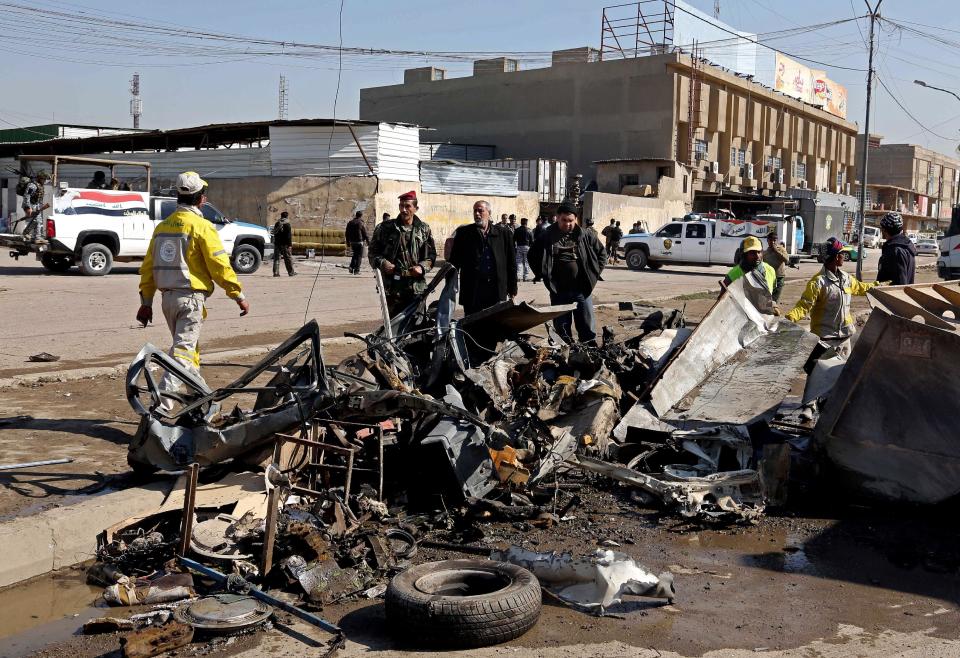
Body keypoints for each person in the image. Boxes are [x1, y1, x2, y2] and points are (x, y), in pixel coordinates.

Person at [136, 171, 249, 405]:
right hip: (190, 300)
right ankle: (161, 407)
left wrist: (146, 303)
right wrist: (237, 294)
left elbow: (148, 269)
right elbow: (219, 265)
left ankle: (206, 402)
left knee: (189, 353)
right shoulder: (202, 227)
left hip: (167, 301)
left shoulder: (162, 227)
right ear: (201, 199)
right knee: (183, 354)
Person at [528, 202, 606, 345]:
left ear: (576, 219)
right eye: (564, 220)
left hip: (582, 290)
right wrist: (542, 273)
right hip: (559, 291)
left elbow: (602, 254)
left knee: (586, 325)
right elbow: (532, 255)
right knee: (561, 328)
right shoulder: (547, 236)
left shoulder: (586, 235)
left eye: (571, 220)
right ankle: (565, 356)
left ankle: (590, 354)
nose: (568, 224)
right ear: (557, 218)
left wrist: (594, 273)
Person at [786, 237, 881, 354]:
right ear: (836, 256)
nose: (844, 256)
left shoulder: (846, 278)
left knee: (844, 372)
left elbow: (862, 288)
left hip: (845, 338)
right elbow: (804, 306)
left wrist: (880, 285)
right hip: (825, 341)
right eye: (842, 253)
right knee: (823, 371)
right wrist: (789, 319)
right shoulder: (818, 282)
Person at [368, 190, 437, 315]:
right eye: (401, 206)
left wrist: (421, 268)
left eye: (408, 206)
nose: (404, 210)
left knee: (418, 326)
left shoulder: (424, 229)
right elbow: (372, 253)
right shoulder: (385, 228)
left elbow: (431, 256)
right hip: (393, 288)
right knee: (394, 328)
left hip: (416, 288)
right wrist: (383, 263)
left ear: (416, 208)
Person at [448, 200, 517, 316]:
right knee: (472, 327)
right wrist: (449, 286)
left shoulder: (503, 234)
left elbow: (511, 263)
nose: (477, 214)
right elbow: (454, 262)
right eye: (475, 211)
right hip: (473, 291)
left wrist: (512, 288)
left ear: (489, 213)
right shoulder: (464, 234)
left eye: (480, 210)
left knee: (496, 325)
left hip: (496, 291)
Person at [724, 236, 778, 314]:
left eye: (759, 252)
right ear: (744, 255)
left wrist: (773, 304)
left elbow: (773, 293)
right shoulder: (733, 274)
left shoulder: (770, 270)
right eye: (752, 253)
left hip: (764, 317)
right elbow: (722, 300)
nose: (757, 256)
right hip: (741, 317)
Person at [876, 212, 916, 286]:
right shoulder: (905, 247)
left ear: (884, 230)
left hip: (891, 296)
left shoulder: (895, 251)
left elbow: (899, 285)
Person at [763, 230, 791, 302]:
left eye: (774, 240)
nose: (772, 242)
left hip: (779, 277)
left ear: (776, 240)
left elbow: (787, 260)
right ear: (767, 240)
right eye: (770, 240)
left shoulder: (781, 249)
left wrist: (776, 251)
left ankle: (773, 309)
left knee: (775, 299)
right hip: (769, 279)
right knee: (768, 298)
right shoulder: (765, 252)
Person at [271, 211, 296, 277]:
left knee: (276, 259)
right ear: (287, 216)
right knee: (288, 259)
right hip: (285, 245)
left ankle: (276, 273)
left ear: (281, 216)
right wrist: (290, 245)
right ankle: (291, 273)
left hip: (277, 244)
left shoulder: (277, 223)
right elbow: (288, 236)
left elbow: (274, 234)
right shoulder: (287, 224)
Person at [345, 210, 369, 275]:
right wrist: (368, 242)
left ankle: (351, 267)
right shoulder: (360, 223)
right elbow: (365, 233)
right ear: (361, 216)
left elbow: (346, 233)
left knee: (355, 254)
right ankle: (356, 270)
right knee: (359, 256)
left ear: (356, 215)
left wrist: (348, 242)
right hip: (359, 242)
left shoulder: (350, 222)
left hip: (352, 242)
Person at [513, 217, 534, 282]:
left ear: (521, 222)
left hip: (519, 246)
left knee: (519, 261)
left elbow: (513, 239)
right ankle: (525, 277)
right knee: (526, 262)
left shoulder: (517, 230)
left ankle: (518, 276)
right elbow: (532, 240)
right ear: (526, 223)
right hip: (527, 247)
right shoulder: (529, 230)